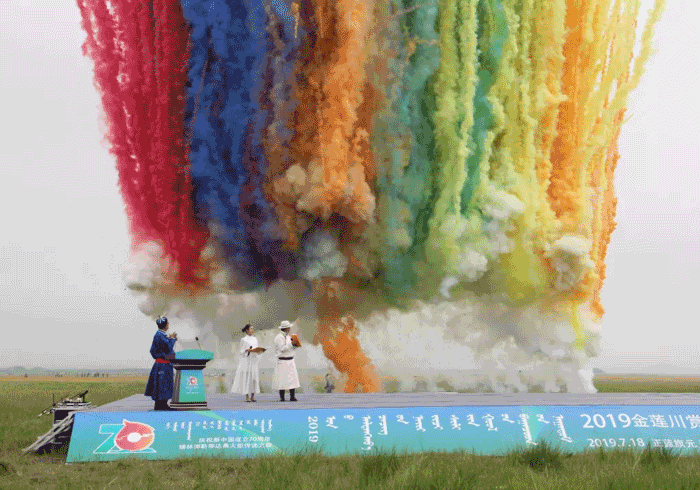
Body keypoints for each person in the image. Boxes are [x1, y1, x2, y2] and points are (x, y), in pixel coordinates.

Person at [144, 316, 177, 410]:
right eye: (168, 324)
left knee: (162, 385)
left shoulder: (160, 335)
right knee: (162, 385)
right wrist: (173, 339)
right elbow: (168, 347)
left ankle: (163, 405)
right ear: (165, 326)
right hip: (163, 365)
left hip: (162, 364)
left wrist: (170, 338)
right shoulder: (160, 336)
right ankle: (160, 405)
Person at [231, 324, 262, 402]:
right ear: (247, 330)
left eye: (252, 329)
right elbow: (241, 351)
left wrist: (260, 350)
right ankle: (247, 396)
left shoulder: (255, 339)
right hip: (247, 361)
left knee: (254, 378)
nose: (252, 330)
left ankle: (253, 396)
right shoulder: (243, 340)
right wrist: (246, 350)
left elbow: (257, 348)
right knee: (247, 377)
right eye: (251, 329)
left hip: (254, 360)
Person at [272, 320, 301, 401]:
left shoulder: (289, 337)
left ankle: (292, 396)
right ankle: (282, 397)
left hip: (290, 360)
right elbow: (282, 349)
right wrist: (291, 344)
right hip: (283, 361)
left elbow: (291, 348)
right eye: (289, 328)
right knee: (282, 379)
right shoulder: (279, 337)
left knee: (292, 379)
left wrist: (295, 345)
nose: (290, 329)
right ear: (286, 328)